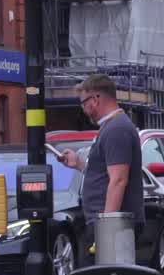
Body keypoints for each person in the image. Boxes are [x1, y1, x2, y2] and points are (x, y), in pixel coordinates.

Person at [60, 73, 144, 264]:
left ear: (96, 99)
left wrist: (107, 229)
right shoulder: (111, 127)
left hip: (113, 227)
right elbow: (108, 174)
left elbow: (118, 180)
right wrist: (79, 164)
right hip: (107, 225)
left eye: (83, 103)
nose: (83, 110)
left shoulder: (117, 129)